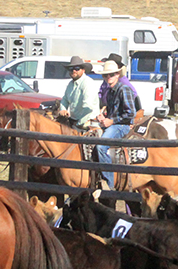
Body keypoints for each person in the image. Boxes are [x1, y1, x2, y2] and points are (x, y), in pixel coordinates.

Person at [95, 60, 137, 190]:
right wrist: (104, 119)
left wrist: (111, 121)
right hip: (114, 124)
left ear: (118, 75)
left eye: (111, 74)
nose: (109, 77)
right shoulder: (111, 91)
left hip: (122, 126)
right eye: (106, 75)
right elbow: (112, 113)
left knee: (101, 146)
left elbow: (131, 113)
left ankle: (109, 183)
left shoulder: (124, 89)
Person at [58, 56, 100, 129]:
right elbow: (65, 99)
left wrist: (78, 123)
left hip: (88, 122)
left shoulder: (88, 83)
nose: (74, 71)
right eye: (71, 69)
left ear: (83, 70)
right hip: (75, 121)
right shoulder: (70, 84)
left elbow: (88, 108)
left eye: (77, 68)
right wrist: (63, 109)